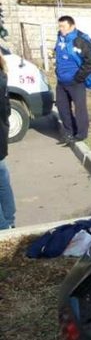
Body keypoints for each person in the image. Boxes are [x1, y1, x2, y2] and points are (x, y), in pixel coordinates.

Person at [54, 15, 91, 143]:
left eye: (63, 26)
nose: (61, 29)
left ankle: (81, 134)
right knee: (62, 108)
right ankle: (69, 132)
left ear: (72, 26)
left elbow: (90, 62)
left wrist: (78, 77)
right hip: (61, 82)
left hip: (75, 82)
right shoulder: (60, 38)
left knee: (80, 109)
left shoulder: (80, 41)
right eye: (59, 26)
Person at [0, 54, 16, 229]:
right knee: (2, 181)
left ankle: (3, 228)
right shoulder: (2, 73)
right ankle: (9, 221)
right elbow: (7, 109)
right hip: (1, 133)